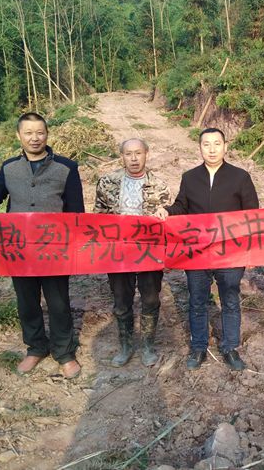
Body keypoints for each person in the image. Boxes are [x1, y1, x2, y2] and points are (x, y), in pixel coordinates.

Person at [0, 112, 84, 379]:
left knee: (58, 302)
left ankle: (64, 352)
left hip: (55, 249)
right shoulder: (9, 168)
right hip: (19, 249)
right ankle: (36, 347)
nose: (35, 138)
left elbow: (76, 212)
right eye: (28, 133)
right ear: (19, 136)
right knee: (26, 301)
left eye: (39, 132)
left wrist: (74, 246)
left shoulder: (66, 167)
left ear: (47, 134)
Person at [155, 128, 259, 371]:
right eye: (206, 144)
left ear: (225, 147)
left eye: (216, 144)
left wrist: (251, 250)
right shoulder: (190, 177)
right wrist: (167, 211)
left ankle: (230, 347)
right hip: (197, 251)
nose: (212, 149)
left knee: (230, 300)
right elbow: (181, 206)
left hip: (230, 251)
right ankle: (199, 347)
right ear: (200, 147)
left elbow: (252, 215)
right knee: (198, 300)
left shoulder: (240, 177)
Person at [94, 138, 171, 367]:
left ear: (146, 154)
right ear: (122, 156)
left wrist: (164, 214)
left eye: (138, 153)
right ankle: (126, 346)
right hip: (118, 252)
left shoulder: (159, 185)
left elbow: (167, 220)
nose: (134, 159)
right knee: (121, 300)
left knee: (151, 299)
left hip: (149, 252)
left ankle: (147, 346)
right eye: (129, 154)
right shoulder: (107, 182)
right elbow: (98, 217)